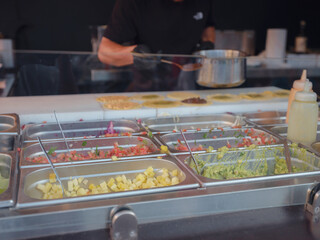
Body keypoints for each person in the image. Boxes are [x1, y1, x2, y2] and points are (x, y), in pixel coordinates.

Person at [98, 0, 216, 91]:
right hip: (147, 85)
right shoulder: (133, 3)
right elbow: (104, 52)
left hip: (189, 83)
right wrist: (136, 54)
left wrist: (207, 43)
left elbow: (207, 24)